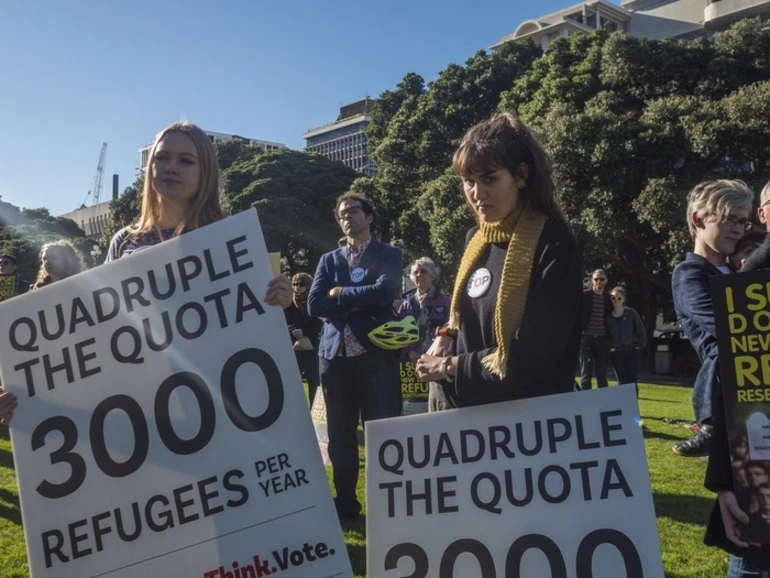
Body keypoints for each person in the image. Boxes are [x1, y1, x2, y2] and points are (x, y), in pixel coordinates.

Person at [0, 121, 291, 426]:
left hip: (220, 397)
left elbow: (250, 327)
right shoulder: (125, 241)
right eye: (162, 158)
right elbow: (97, 331)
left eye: (185, 160)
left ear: (205, 171)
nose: (171, 168)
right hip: (143, 402)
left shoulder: (229, 239)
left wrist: (277, 300)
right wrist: (26, 392)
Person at [414, 111, 582, 408]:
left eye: (490, 179)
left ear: (521, 176)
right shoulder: (475, 239)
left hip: (529, 421)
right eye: (468, 181)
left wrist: (448, 367)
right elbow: (468, 315)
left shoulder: (554, 243)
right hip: (470, 416)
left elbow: (535, 354)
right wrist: (445, 336)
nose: (477, 193)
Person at [668, 179, 770, 575]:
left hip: (752, 402)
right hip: (729, 413)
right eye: (729, 219)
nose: (738, 229)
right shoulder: (689, 274)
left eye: (744, 223)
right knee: (751, 533)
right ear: (698, 219)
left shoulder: (737, 266)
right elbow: (736, 323)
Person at [307, 191, 403, 521]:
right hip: (335, 358)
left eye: (354, 210)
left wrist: (341, 294)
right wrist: (357, 302)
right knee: (340, 436)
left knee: (382, 431)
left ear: (369, 216)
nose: (348, 216)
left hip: (375, 355)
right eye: (342, 213)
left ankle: (388, 503)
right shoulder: (329, 260)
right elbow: (314, 304)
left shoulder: (389, 254)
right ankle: (346, 503)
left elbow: (385, 292)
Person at [397, 257, 450, 413]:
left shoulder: (446, 301)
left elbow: (451, 328)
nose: (419, 275)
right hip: (410, 365)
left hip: (436, 362)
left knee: (435, 407)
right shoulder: (406, 303)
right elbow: (399, 332)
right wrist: (410, 351)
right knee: (411, 410)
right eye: (415, 272)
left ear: (433, 276)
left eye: (424, 271)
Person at [285, 272, 322, 406]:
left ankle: (314, 409)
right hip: (295, 345)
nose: (297, 287)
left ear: (308, 285)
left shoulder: (314, 300)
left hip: (312, 344)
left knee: (314, 380)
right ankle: (296, 409)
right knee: (293, 380)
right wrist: (293, 331)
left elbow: (319, 323)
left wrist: (304, 331)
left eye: (301, 284)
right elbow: (286, 321)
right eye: (294, 284)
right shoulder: (289, 302)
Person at [606, 285, 647, 391]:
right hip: (617, 352)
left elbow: (640, 330)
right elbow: (606, 334)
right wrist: (610, 347)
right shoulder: (608, 317)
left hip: (632, 350)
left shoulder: (631, 313)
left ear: (623, 299)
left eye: (619, 298)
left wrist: (639, 345)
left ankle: (633, 405)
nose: (616, 300)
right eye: (613, 298)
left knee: (632, 380)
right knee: (621, 380)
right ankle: (624, 405)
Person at [578, 268, 612, 390]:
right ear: (592, 280)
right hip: (586, 338)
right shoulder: (585, 296)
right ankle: (585, 404)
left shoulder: (609, 299)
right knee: (585, 374)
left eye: (601, 279)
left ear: (606, 281)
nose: (599, 281)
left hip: (602, 339)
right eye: (596, 279)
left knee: (601, 374)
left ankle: (603, 403)